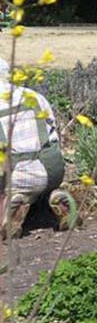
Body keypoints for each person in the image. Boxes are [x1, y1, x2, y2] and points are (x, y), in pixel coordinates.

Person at [0, 58, 68, 237]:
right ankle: (51, 199)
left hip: (15, 174)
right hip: (52, 169)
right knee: (38, 185)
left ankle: (10, 206)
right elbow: (54, 134)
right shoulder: (35, 97)